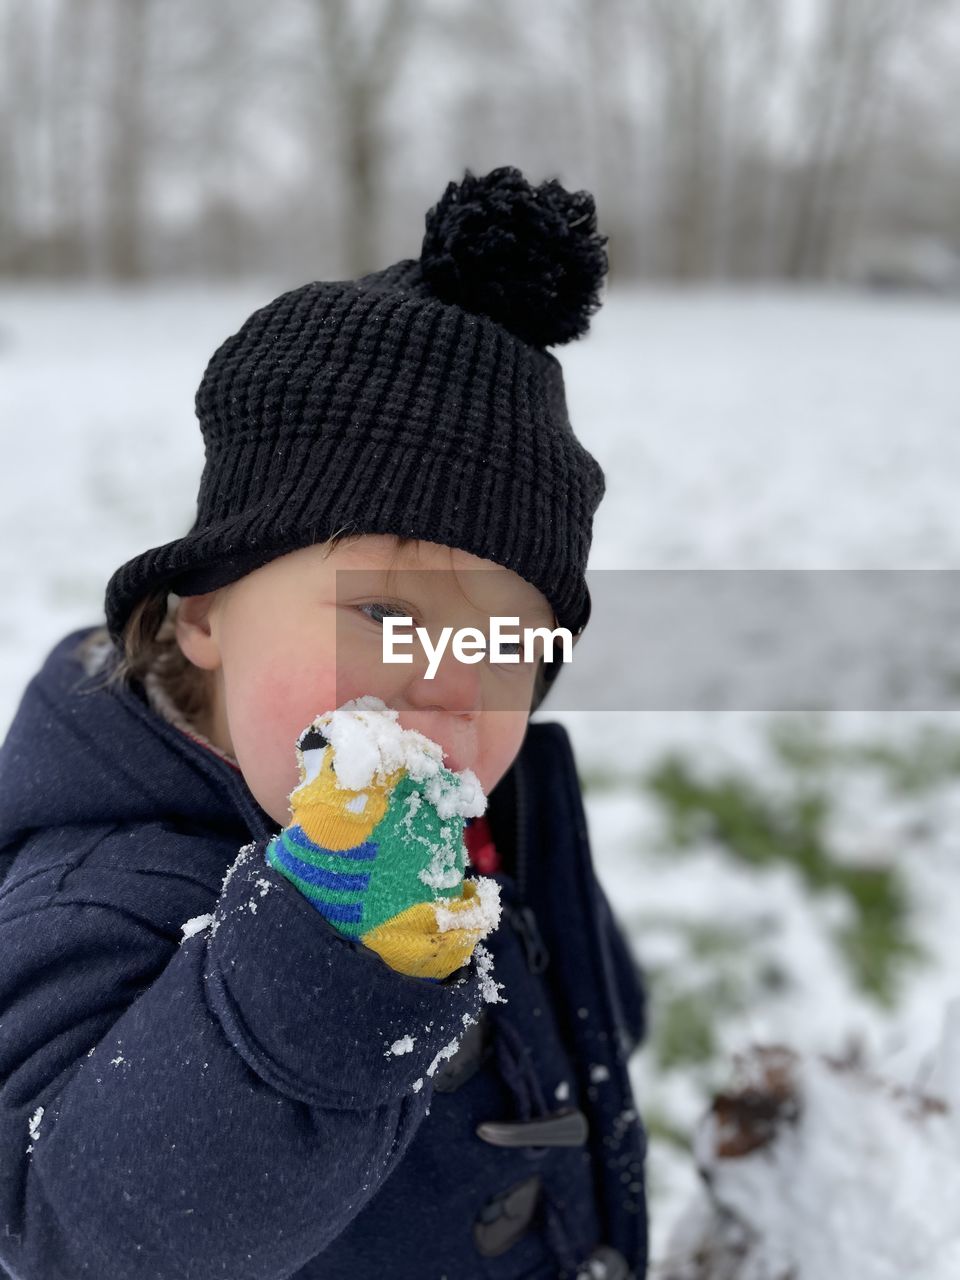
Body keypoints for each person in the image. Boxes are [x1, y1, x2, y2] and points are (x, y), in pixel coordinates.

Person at [0, 166, 649, 1279]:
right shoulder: (101, 887)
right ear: (204, 608)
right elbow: (73, 1230)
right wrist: (336, 949)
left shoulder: (508, 800)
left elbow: (598, 1004)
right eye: (386, 610)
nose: (448, 675)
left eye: (506, 641)